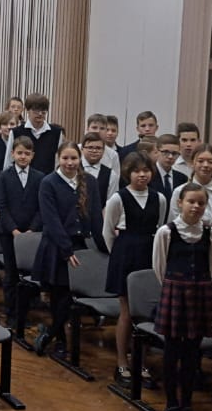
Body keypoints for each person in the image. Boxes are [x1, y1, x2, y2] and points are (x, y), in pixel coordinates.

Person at [154, 183, 212, 411]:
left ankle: (188, 405)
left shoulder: (211, 234)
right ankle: (172, 404)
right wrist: (175, 286)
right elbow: (159, 267)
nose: (196, 206)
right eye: (191, 201)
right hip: (175, 292)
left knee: (193, 352)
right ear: (180, 203)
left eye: (201, 203)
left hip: (200, 292)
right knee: (172, 351)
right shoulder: (166, 232)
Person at [102, 153, 168, 385]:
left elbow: (161, 227)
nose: (142, 175)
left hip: (149, 254)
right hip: (125, 254)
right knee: (127, 312)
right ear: (128, 173)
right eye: (137, 171)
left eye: (146, 170)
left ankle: (141, 361)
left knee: (146, 312)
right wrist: (119, 255)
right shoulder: (118, 198)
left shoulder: (159, 198)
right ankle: (122, 362)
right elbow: (108, 232)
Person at [31, 142, 98, 361]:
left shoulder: (90, 182)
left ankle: (49, 333)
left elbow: (96, 217)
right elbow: (51, 220)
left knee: (71, 297)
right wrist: (66, 250)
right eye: (65, 158)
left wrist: (102, 246)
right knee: (59, 295)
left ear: (80, 159)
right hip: (57, 246)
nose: (70, 163)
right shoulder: (48, 182)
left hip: (81, 246)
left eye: (74, 158)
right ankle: (59, 339)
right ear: (58, 159)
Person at [9, 93, 64, 174]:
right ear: (27, 110)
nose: (40, 113)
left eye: (43, 111)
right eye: (36, 110)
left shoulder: (56, 133)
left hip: (48, 179)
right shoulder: (16, 132)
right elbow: (9, 161)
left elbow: (59, 162)